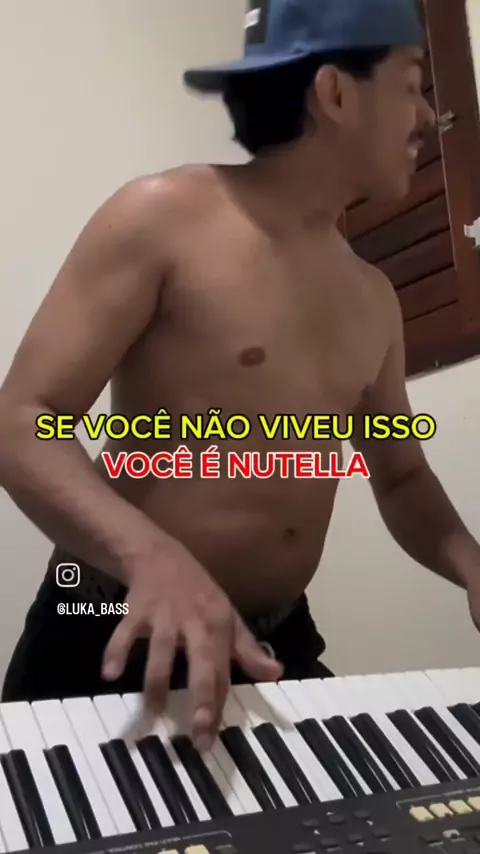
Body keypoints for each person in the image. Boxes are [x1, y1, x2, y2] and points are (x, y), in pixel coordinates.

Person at [1, 0, 479, 752]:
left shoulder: (374, 298)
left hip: (272, 644)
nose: (427, 114)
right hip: (111, 627)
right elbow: (23, 422)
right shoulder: (161, 218)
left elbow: (401, 477)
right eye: (411, 83)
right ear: (336, 92)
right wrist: (152, 556)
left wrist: (469, 560)